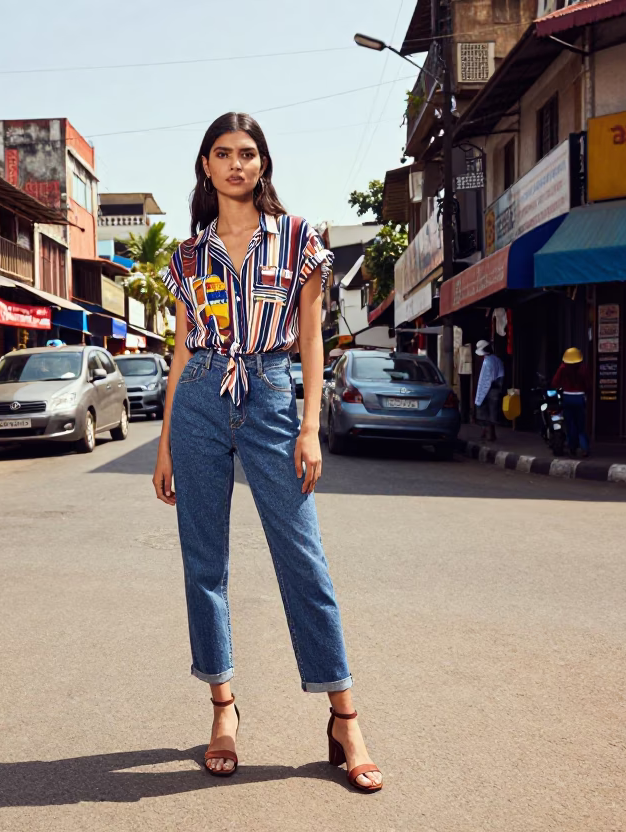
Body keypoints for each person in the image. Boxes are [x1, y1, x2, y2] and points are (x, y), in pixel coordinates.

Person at [151, 113, 382, 793]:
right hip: (199, 400)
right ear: (205, 166)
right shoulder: (187, 257)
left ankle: (346, 717)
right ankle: (223, 709)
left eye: (247, 153)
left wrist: (310, 425)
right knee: (205, 561)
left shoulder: (300, 239)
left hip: (274, 395)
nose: (235, 164)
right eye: (222, 153)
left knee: (302, 558)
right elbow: (185, 349)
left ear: (263, 164)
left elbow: (312, 340)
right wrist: (163, 442)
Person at [552, 347, 590, 457]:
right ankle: (584, 449)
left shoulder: (563, 367)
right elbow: (589, 385)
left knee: (570, 424)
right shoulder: (583, 368)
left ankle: (572, 448)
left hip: (567, 398)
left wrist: (562, 388)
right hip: (580, 398)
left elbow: (555, 382)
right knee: (581, 426)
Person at [474, 339, 504, 442]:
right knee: (493, 412)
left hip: (488, 389)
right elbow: (501, 375)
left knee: (485, 412)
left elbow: (485, 380)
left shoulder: (487, 362)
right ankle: (490, 433)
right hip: (496, 389)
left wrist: (480, 394)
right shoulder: (497, 360)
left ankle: (489, 433)